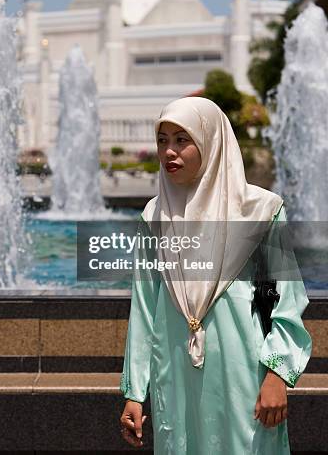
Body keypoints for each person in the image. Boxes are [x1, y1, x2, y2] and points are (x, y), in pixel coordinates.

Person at [119, 97, 312, 454]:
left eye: (182, 139)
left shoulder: (261, 209)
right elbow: (145, 307)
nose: (169, 152)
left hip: (243, 368)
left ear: (211, 141)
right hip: (174, 372)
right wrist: (135, 391)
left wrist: (277, 375)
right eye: (163, 140)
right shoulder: (155, 216)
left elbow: (288, 298)